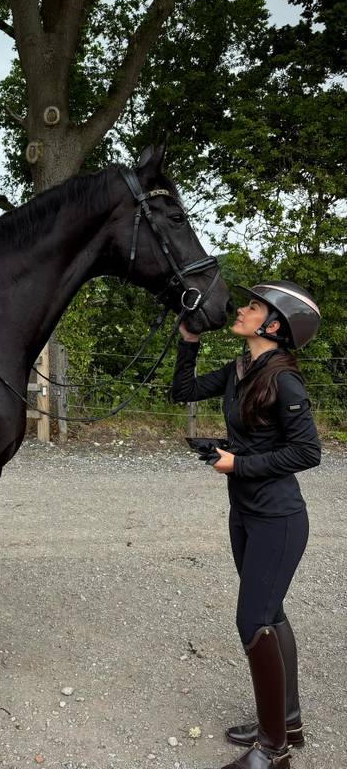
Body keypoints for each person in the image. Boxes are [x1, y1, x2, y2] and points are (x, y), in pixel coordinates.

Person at [171, 281, 322, 769]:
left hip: (278, 518)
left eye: (253, 307)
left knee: (253, 619)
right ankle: (288, 722)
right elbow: (183, 391)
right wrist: (188, 341)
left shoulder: (284, 380)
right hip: (246, 513)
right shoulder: (241, 369)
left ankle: (273, 750)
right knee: (270, 613)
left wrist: (238, 464)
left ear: (273, 325)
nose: (241, 309)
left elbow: (307, 452)